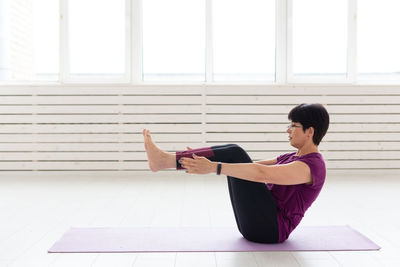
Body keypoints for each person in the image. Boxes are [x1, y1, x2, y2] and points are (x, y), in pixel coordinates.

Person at [143, 103, 329, 244]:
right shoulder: (291, 156)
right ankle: (167, 159)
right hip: (257, 224)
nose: (288, 130)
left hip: (271, 230)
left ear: (309, 132)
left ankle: (164, 160)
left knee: (234, 153)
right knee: (234, 153)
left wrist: (215, 167)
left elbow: (261, 174)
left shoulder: (312, 166)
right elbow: (248, 166)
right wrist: (203, 160)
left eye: (293, 125)